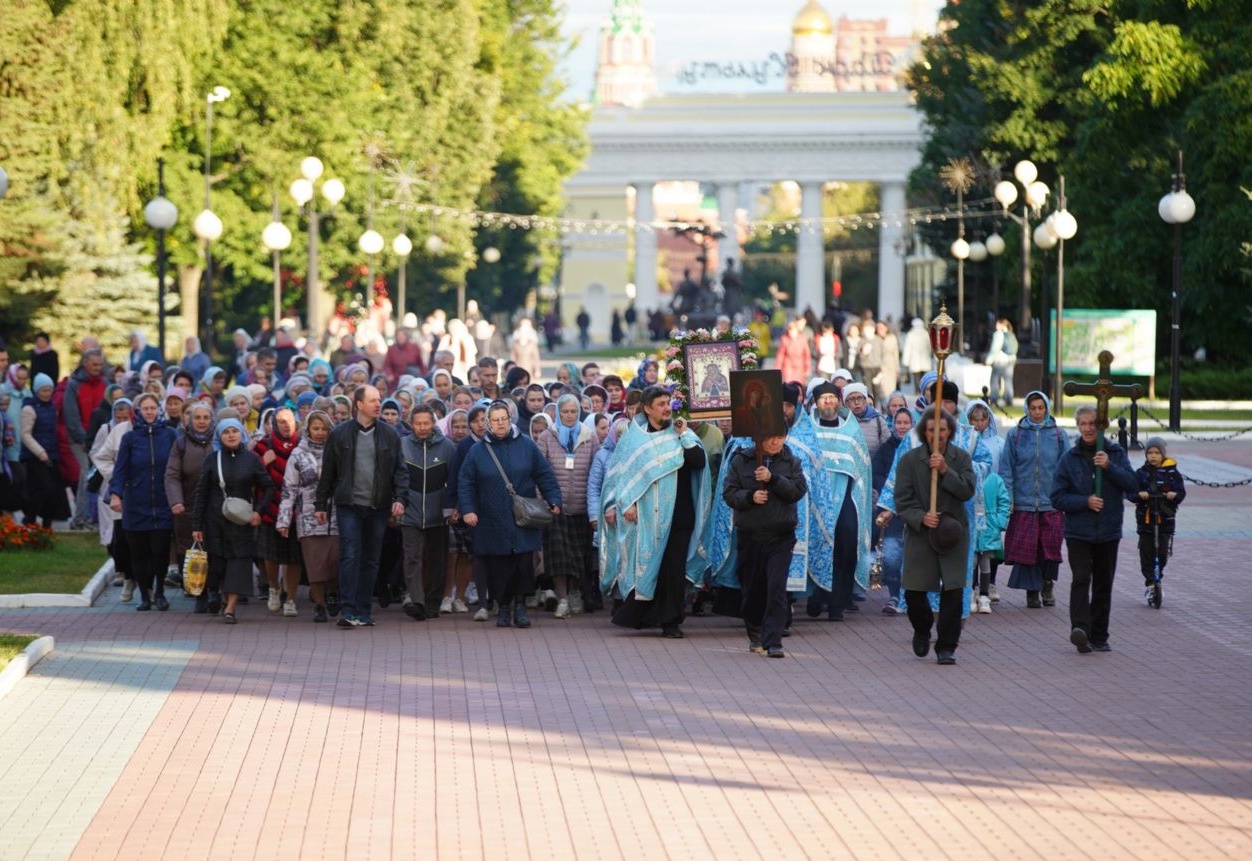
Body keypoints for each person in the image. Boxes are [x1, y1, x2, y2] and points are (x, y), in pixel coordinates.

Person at [600, 387, 710, 639]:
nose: (666, 408)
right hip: (647, 517)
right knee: (648, 566)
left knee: (673, 571)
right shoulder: (634, 437)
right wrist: (626, 503)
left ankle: (671, 621)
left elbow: (699, 462)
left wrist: (683, 435)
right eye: (660, 404)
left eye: (667, 403)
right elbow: (620, 476)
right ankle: (642, 616)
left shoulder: (682, 432)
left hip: (679, 516)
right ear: (647, 408)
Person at [458, 400, 562, 628]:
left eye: (503, 419)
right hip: (491, 518)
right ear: (488, 423)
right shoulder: (477, 451)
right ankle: (503, 608)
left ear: (510, 419)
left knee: (523, 564)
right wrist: (468, 510)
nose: (500, 423)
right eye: (495, 420)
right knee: (498, 565)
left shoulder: (526, 445)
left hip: (522, 517)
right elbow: (465, 482)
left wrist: (553, 498)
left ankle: (521, 607)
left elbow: (544, 473)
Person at [314, 385, 409, 628]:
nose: (379, 405)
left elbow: (400, 471)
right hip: (349, 504)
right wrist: (320, 504)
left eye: (379, 400)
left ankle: (364, 609)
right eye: (373, 401)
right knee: (350, 555)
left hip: (378, 505)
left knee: (371, 559)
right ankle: (348, 609)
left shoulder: (390, 435)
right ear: (358, 405)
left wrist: (400, 499)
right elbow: (329, 472)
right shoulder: (340, 434)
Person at [892, 408, 976, 665]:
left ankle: (947, 646)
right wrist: (920, 517)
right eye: (931, 430)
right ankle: (922, 627)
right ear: (923, 432)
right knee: (914, 592)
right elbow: (902, 500)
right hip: (921, 533)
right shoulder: (909, 460)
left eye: (942, 430)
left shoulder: (960, 458)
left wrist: (945, 471)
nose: (937, 435)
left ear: (949, 431)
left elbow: (967, 490)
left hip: (952, 533)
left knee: (953, 591)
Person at [1051, 405, 1138, 653]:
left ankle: (1099, 635)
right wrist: (1084, 501)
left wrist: (1109, 467)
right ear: (1078, 426)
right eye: (1084, 424)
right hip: (1079, 531)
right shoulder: (1070, 458)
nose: (1088, 429)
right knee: (1080, 578)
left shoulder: (1115, 452)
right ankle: (1080, 629)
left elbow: (1132, 484)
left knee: (1103, 582)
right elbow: (1057, 496)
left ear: (1101, 427)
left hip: (1108, 530)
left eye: (1093, 424)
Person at [723, 434, 808, 658]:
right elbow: (729, 493)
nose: (774, 442)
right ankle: (755, 631)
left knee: (777, 587)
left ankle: (774, 640)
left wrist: (773, 479)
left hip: (781, 536)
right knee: (753, 589)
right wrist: (750, 497)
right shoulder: (741, 460)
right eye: (769, 437)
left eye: (779, 437)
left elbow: (797, 491)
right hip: (750, 535)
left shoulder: (791, 461)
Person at [192, 419, 273, 622]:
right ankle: (223, 597)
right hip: (214, 521)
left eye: (234, 431)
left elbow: (269, 487)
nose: (231, 435)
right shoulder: (212, 459)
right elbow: (201, 493)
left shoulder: (252, 459)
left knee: (239, 563)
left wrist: (258, 511)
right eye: (226, 432)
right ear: (219, 436)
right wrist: (197, 525)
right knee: (218, 564)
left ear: (241, 434)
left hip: (241, 522)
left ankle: (230, 607)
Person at [806, 382, 874, 620]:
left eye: (831, 398)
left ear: (839, 402)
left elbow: (863, 468)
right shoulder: (808, 429)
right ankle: (815, 595)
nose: (827, 402)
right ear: (815, 403)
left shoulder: (851, 430)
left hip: (846, 495)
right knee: (815, 541)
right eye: (822, 398)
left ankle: (837, 601)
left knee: (846, 540)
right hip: (815, 497)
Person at [998, 391, 1070, 608]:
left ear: (1047, 408)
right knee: (1028, 550)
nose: (1037, 412)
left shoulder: (1058, 434)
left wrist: (1064, 497)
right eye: (1033, 408)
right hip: (1024, 502)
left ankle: (1047, 584)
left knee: (1050, 547)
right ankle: (1032, 591)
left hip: (1051, 502)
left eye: (1041, 408)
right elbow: (1006, 469)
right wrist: (1009, 498)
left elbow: (1067, 468)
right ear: (1026, 410)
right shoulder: (1016, 435)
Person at [107, 392, 177, 611]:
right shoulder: (130, 438)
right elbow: (121, 470)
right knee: (138, 552)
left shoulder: (170, 434)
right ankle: (145, 595)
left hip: (163, 502)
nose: (149, 412)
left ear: (159, 410)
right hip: (136, 502)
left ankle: (160, 593)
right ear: (138, 411)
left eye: (153, 408)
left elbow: (176, 468)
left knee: (160, 551)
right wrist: (115, 494)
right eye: (145, 408)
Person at [535, 394, 599, 619]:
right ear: (558, 413)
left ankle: (574, 593)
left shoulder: (589, 438)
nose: (570, 415)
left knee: (578, 556)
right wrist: (545, 501)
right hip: (555, 507)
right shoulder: (546, 437)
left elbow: (596, 472)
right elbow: (539, 472)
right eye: (565, 412)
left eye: (573, 411)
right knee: (559, 557)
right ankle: (562, 598)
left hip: (581, 507)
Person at [277, 410, 340, 623]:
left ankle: (333, 592)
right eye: (316, 428)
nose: (320, 433)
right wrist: (284, 520)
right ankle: (319, 605)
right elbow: (289, 489)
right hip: (308, 517)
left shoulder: (338, 450)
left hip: (335, 515)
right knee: (315, 564)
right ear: (308, 429)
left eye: (324, 428)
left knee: (334, 560)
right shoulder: (298, 454)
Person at [399, 405, 455, 620]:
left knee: (437, 560)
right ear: (411, 424)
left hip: (438, 514)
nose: (422, 428)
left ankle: (433, 603)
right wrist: (397, 503)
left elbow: (454, 481)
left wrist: (452, 508)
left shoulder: (447, 447)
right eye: (418, 423)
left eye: (426, 423)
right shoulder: (402, 445)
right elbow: (395, 477)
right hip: (410, 513)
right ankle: (417, 601)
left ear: (433, 423)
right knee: (412, 557)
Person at [165, 401, 216, 612]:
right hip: (189, 505)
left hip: (216, 505)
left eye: (205, 418)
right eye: (197, 418)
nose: (202, 422)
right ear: (190, 420)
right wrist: (176, 501)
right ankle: (198, 591)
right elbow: (172, 475)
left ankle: (214, 590)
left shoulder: (219, 439)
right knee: (191, 549)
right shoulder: (181, 444)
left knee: (215, 547)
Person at [254, 407, 303, 615]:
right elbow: (251, 477)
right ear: (274, 424)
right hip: (270, 508)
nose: (286, 425)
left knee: (295, 557)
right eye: (281, 421)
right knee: (271, 555)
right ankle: (274, 587)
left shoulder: (303, 445)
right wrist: (263, 464)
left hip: (297, 510)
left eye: (290, 420)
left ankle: (290, 598)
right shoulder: (262, 445)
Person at [1130, 437, 1185, 606]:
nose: (1153, 456)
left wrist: (1174, 495)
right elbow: (1131, 493)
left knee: (1162, 552)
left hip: (1165, 520)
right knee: (1146, 551)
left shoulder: (1172, 474)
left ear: (1163, 454)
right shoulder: (1141, 473)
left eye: (1157, 453)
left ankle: (1157, 576)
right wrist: (1140, 494)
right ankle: (1150, 583)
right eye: (1150, 453)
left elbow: (1181, 493)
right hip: (1146, 521)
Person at [872, 407, 913, 614]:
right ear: (893, 424)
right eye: (899, 423)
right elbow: (877, 473)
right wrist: (888, 488)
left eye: (906, 423)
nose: (902, 426)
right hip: (891, 510)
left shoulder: (917, 447)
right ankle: (894, 596)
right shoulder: (887, 448)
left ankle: (910, 597)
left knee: (911, 555)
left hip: (912, 511)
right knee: (892, 554)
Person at [63, 348, 108, 528]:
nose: (98, 367)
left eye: (100, 364)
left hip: (101, 439)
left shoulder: (105, 383)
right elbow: (71, 416)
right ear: (85, 364)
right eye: (95, 364)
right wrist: (85, 440)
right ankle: (80, 518)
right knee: (85, 475)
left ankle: (94, 518)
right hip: (80, 441)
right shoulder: (74, 385)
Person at [20, 373, 71, 527]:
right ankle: (30, 517)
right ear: (37, 391)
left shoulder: (52, 407)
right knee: (44, 488)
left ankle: (47, 525)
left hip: (52, 454)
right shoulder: (29, 408)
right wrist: (40, 452)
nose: (47, 394)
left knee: (54, 490)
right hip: (35, 456)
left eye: (50, 390)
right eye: (44, 391)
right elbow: (25, 434)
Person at [843, 382, 889, 458]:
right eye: (852, 399)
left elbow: (887, 447)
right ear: (846, 402)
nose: (856, 402)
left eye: (860, 398)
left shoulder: (878, 420)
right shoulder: (841, 421)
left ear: (865, 400)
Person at [985, 317, 1019, 407]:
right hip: (1010, 360)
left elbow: (995, 348)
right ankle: (1009, 399)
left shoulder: (998, 334)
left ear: (1001, 324)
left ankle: (994, 398)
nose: (996, 325)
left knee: (994, 380)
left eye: (997, 324)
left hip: (1000, 360)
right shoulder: (1011, 334)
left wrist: (989, 360)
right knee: (1008, 380)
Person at [900, 318, 933, 392]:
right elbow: (930, 346)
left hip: (915, 360)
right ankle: (923, 390)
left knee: (916, 377)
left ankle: (917, 391)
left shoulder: (910, 334)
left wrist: (905, 361)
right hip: (925, 359)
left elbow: (907, 348)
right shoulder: (926, 334)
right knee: (923, 376)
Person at [775, 318, 812, 384]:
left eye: (793, 330)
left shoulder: (803, 339)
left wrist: (808, 368)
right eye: (789, 330)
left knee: (799, 386)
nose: (791, 332)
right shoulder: (784, 339)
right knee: (789, 386)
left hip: (800, 368)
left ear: (796, 330)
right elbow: (780, 355)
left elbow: (807, 355)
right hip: (788, 367)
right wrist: (778, 368)